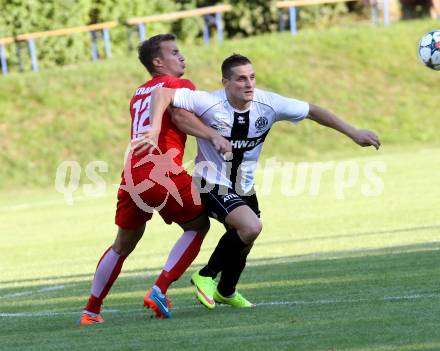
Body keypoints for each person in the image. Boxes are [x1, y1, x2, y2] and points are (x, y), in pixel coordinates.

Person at [139, 53, 381, 310]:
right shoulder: (209, 102)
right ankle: (206, 276)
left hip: (244, 185)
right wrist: (154, 129)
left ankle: (226, 291)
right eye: (241, 79)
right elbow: (162, 94)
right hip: (211, 182)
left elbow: (312, 111)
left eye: (252, 77)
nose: (249, 84)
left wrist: (353, 132)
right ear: (225, 82)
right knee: (251, 226)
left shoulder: (268, 104)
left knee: (244, 240)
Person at [79, 34, 231, 324]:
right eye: (174, 52)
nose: (181, 56)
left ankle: (91, 310)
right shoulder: (178, 85)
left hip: (132, 174)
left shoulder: (139, 92)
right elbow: (182, 118)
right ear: (158, 62)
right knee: (198, 225)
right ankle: (159, 289)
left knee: (122, 244)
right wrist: (213, 134)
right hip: (161, 170)